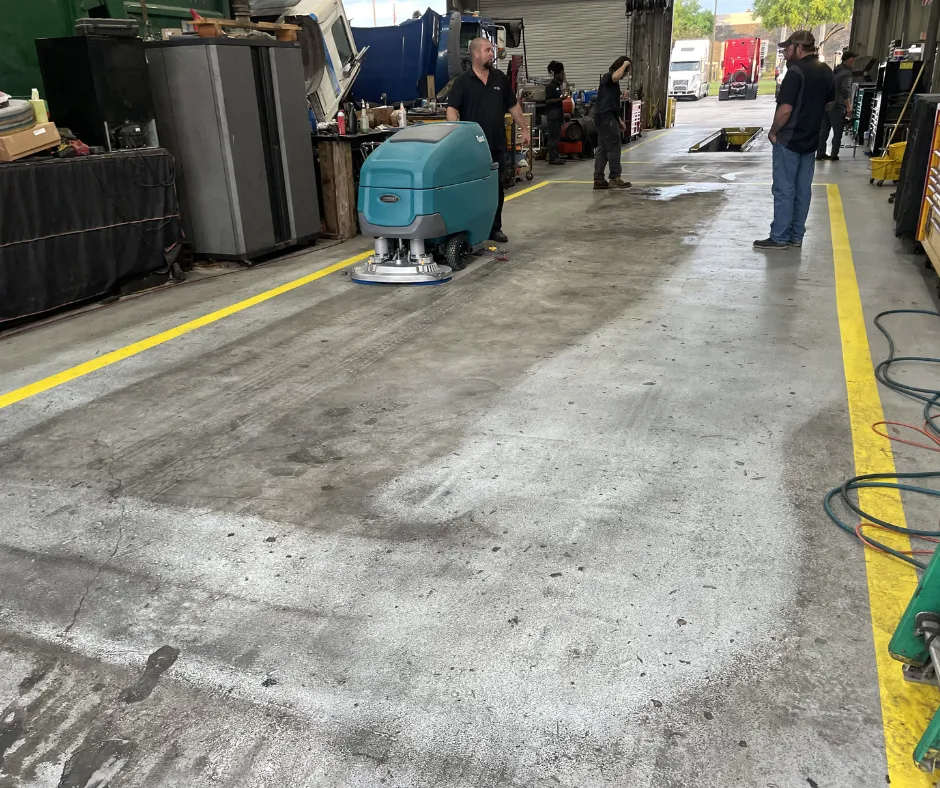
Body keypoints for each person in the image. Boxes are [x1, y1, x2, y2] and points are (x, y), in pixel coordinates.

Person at [754, 31, 833, 251]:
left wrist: (773, 132)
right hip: (811, 140)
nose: (786, 54)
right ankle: (796, 236)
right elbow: (828, 103)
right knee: (803, 189)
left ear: (799, 48)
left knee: (784, 189)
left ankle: (779, 237)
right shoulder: (826, 71)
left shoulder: (795, 72)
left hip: (789, 140)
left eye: (788, 50)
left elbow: (785, 109)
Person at [446, 38, 531, 244]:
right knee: (472, 189)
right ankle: (471, 228)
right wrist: (455, 133)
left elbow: (513, 106)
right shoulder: (462, 82)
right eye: (488, 50)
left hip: (496, 144)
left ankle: (495, 228)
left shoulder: (499, 78)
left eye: (491, 50)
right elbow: (452, 109)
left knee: (496, 189)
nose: (492, 54)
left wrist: (524, 128)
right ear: (476, 54)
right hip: (472, 148)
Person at [593, 56, 632, 190]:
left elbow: (612, 104)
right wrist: (625, 64)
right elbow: (616, 76)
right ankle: (615, 178)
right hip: (606, 118)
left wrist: (619, 120)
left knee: (603, 149)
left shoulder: (613, 84)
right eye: (627, 71)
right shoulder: (608, 77)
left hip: (605, 118)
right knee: (614, 147)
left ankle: (598, 179)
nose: (626, 74)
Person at [817, 50, 856, 161]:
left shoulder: (835, 70)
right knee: (837, 131)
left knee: (824, 130)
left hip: (827, 103)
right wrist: (848, 107)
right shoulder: (847, 73)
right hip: (838, 105)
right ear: (850, 60)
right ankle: (834, 154)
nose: (854, 62)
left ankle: (820, 153)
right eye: (853, 60)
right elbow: (845, 90)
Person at [546, 60, 566, 165]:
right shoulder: (550, 87)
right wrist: (560, 99)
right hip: (553, 115)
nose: (563, 76)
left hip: (558, 114)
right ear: (557, 74)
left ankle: (555, 155)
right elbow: (548, 101)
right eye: (562, 74)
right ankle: (552, 157)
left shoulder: (558, 86)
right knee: (553, 136)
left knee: (557, 136)